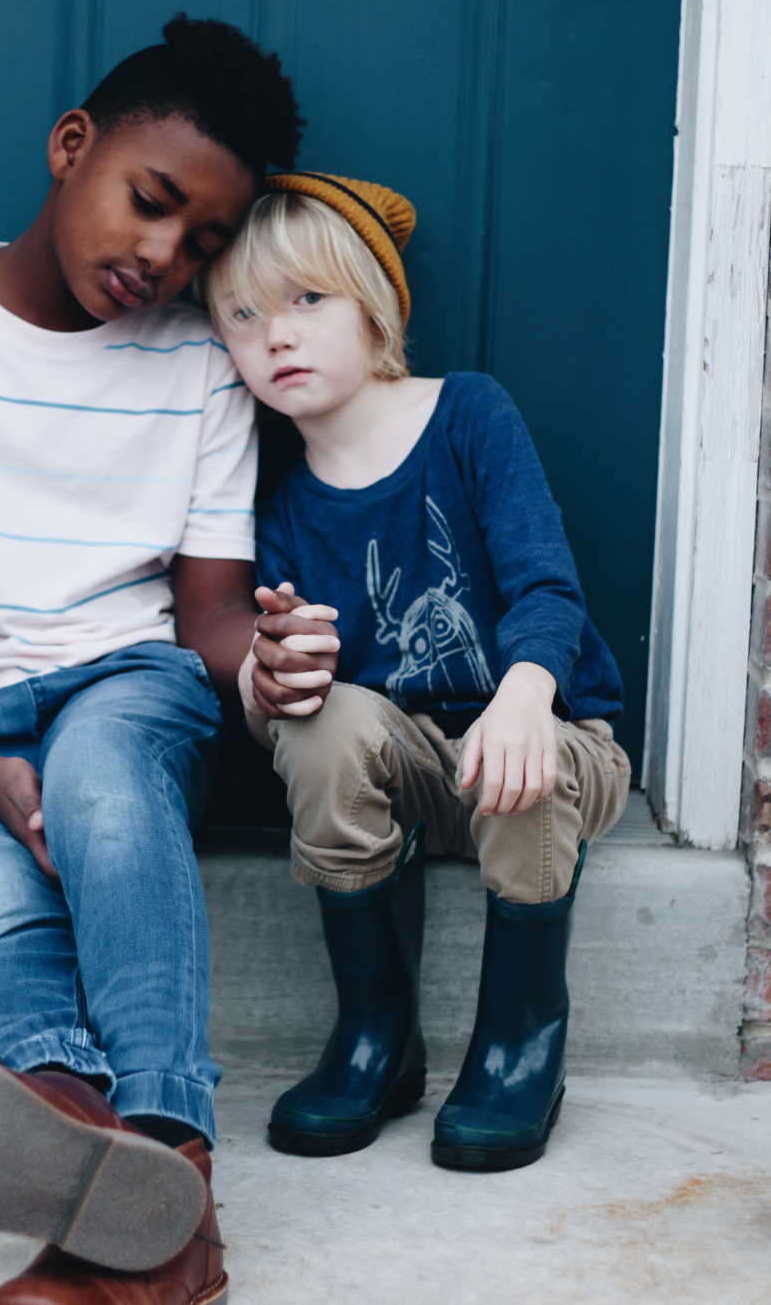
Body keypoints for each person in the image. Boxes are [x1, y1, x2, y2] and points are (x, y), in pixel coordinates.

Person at [0, 16, 339, 1305]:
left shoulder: (200, 367)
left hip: (120, 684)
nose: (162, 257)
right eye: (149, 203)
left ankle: (165, 1160)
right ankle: (77, 1143)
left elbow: (206, 618)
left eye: (199, 243)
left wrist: (266, 667)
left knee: (103, 791)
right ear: (72, 146)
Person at [205, 172, 632, 1173]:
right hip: (410, 779)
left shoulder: (470, 415)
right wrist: (279, 680)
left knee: (529, 751)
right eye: (243, 314)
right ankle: (377, 1037)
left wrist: (528, 693)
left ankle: (521, 1042)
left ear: (375, 301)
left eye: (307, 299)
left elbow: (546, 588)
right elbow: (296, 703)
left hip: (548, 753)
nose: (277, 333)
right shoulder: (280, 505)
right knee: (322, 720)